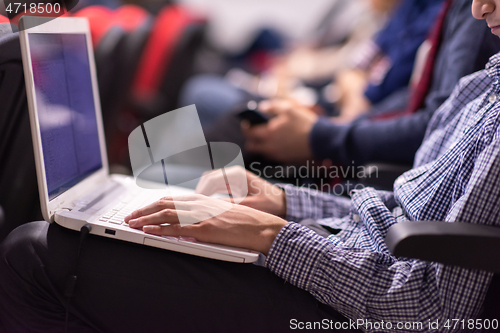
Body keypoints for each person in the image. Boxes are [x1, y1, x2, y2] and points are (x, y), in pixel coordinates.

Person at [1, 1, 500, 332]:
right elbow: (403, 203)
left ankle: (143, 197)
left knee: (31, 254)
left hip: (364, 274)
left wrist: (270, 233)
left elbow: (426, 309)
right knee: (210, 130)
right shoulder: (486, 80)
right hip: (353, 228)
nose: (480, 8)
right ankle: (137, 199)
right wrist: (283, 200)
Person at [197, 0, 500, 169]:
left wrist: (325, 135)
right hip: (357, 134)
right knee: (236, 115)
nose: (479, 8)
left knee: (228, 114)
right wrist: (333, 125)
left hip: (375, 165)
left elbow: (436, 126)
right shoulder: (427, 8)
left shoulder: (470, 16)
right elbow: (398, 92)